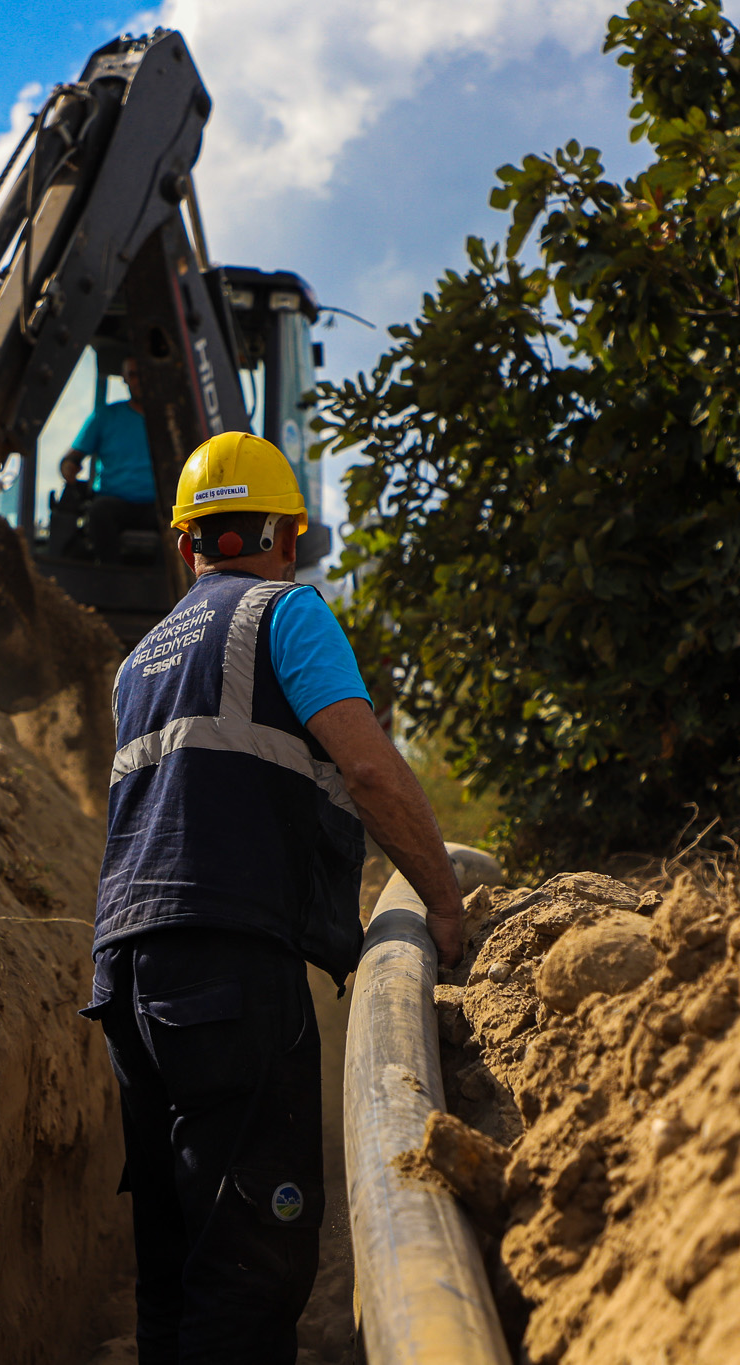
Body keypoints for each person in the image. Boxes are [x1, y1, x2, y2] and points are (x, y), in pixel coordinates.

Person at [80, 430, 465, 1364]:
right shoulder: (283, 612)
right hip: (227, 972)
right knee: (251, 1267)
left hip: (128, 977)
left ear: (186, 545)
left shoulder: (139, 660)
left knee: (174, 1269)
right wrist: (445, 905)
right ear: (285, 536)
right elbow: (368, 769)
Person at [58, 355, 158, 563]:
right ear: (125, 379)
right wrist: (69, 467)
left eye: (143, 374)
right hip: (115, 503)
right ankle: (110, 578)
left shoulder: (168, 419)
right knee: (99, 512)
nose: (139, 380)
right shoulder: (105, 417)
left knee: (182, 519)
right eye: (133, 375)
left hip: (156, 505)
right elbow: (72, 457)